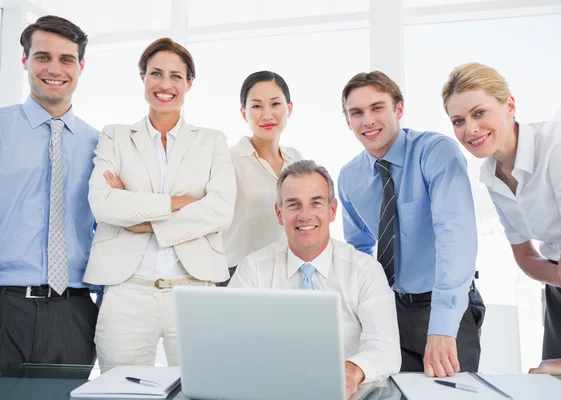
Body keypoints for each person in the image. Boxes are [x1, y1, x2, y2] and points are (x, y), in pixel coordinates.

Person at [84, 38, 236, 370]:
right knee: (121, 392)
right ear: (143, 78)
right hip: (127, 292)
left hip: (195, 291)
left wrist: (143, 220)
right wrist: (182, 203)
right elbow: (104, 203)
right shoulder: (115, 136)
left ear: (189, 83)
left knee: (204, 388)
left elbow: (221, 210)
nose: (165, 85)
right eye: (155, 74)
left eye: (176, 76)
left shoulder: (212, 141)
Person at [442, 62, 561, 374]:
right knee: (556, 385)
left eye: (479, 113)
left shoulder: (559, 147)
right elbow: (526, 258)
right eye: (458, 120)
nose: (469, 128)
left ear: (509, 105)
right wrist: (560, 277)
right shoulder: (490, 176)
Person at [337, 71, 485, 378]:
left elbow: (455, 236)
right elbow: (359, 252)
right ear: (348, 120)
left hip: (444, 304)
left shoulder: (435, 152)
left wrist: (443, 327)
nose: (368, 121)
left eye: (377, 108)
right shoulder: (350, 177)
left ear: (399, 109)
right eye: (357, 113)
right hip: (388, 310)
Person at [229, 160, 401, 399]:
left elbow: (386, 347)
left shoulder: (364, 270)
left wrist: (353, 371)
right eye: (294, 205)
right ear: (279, 214)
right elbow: (230, 342)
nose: (305, 215)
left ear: (332, 210)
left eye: (316, 203)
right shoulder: (253, 269)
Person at [0, 15, 99, 373]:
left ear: (80, 66)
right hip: (5, 303)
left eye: (66, 59)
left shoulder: (101, 145)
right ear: (25, 60)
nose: (54, 68)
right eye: (43, 57)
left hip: (73, 312)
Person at [222, 71, 302, 283]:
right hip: (238, 275)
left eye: (275, 104)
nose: (267, 115)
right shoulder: (227, 160)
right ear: (243, 112)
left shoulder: (297, 160)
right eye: (257, 106)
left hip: (288, 273)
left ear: (289, 108)